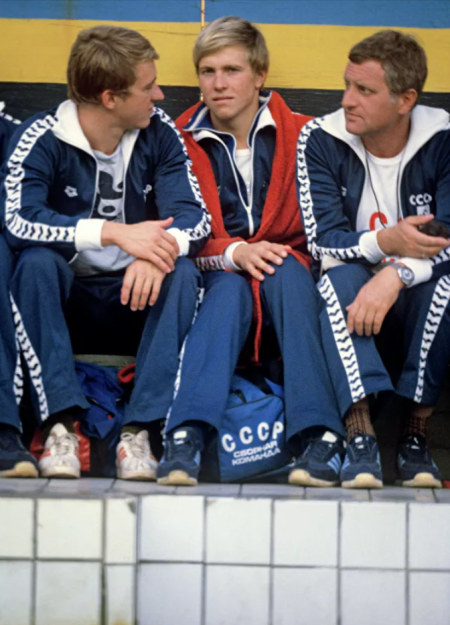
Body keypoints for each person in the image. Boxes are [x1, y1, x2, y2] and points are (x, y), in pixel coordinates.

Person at [1, 25, 210, 479]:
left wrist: (156, 253)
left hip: (137, 296)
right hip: (67, 300)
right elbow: (17, 220)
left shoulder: (160, 132)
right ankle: (60, 428)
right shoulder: (42, 136)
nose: (159, 95)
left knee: (182, 272)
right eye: (147, 87)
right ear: (110, 97)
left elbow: (195, 218)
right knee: (35, 263)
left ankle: (140, 431)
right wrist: (114, 233)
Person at [152, 16, 347, 488]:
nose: (218, 84)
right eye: (207, 71)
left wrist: (264, 254)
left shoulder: (306, 134)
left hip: (290, 281)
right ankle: (185, 436)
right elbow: (178, 231)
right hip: (215, 277)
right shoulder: (176, 140)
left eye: (232, 70)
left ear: (260, 75)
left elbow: (323, 228)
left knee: (285, 269)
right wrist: (234, 252)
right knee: (228, 290)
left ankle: (319, 435)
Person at [298, 30, 450, 488]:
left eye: (364, 90)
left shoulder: (443, 138)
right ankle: (359, 433)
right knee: (338, 278)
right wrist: (387, 242)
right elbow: (322, 242)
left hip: (415, 293)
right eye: (347, 85)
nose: (347, 100)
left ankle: (414, 436)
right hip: (351, 294)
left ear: (406, 100)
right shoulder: (320, 138)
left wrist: (397, 274)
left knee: (444, 285)